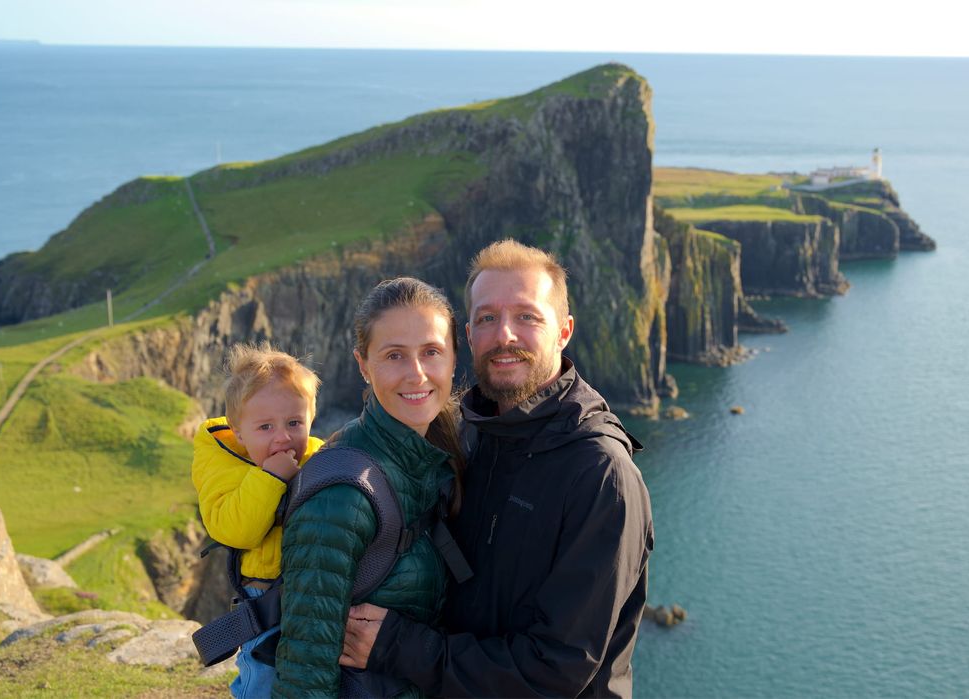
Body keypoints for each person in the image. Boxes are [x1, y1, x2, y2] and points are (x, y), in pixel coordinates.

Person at [342, 240, 654, 698]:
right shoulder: (465, 434)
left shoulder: (600, 474)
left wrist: (396, 645)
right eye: (487, 318)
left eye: (527, 316)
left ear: (564, 331)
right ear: (468, 335)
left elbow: (557, 670)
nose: (504, 334)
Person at [272, 277, 466, 698]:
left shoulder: (437, 454)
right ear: (363, 364)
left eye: (431, 352)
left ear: (453, 357)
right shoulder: (341, 495)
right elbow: (305, 671)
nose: (417, 374)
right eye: (394, 355)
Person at [191, 342, 325, 699]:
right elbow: (236, 530)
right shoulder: (223, 466)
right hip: (264, 598)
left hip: (314, 594)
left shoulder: (319, 455)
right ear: (238, 432)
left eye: (295, 422)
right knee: (262, 678)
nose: (283, 436)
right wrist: (270, 479)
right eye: (265, 427)